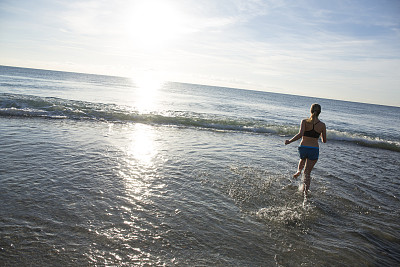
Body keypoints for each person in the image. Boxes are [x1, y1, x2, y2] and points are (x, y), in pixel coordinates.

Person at [285, 103, 327, 194]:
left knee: (302, 159)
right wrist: (319, 134)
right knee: (307, 173)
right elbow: (324, 141)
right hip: (314, 149)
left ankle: (298, 170)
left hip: (303, 147)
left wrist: (289, 141)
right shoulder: (322, 125)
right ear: (320, 112)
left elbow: (300, 134)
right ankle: (305, 193)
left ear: (310, 110)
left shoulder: (304, 121)